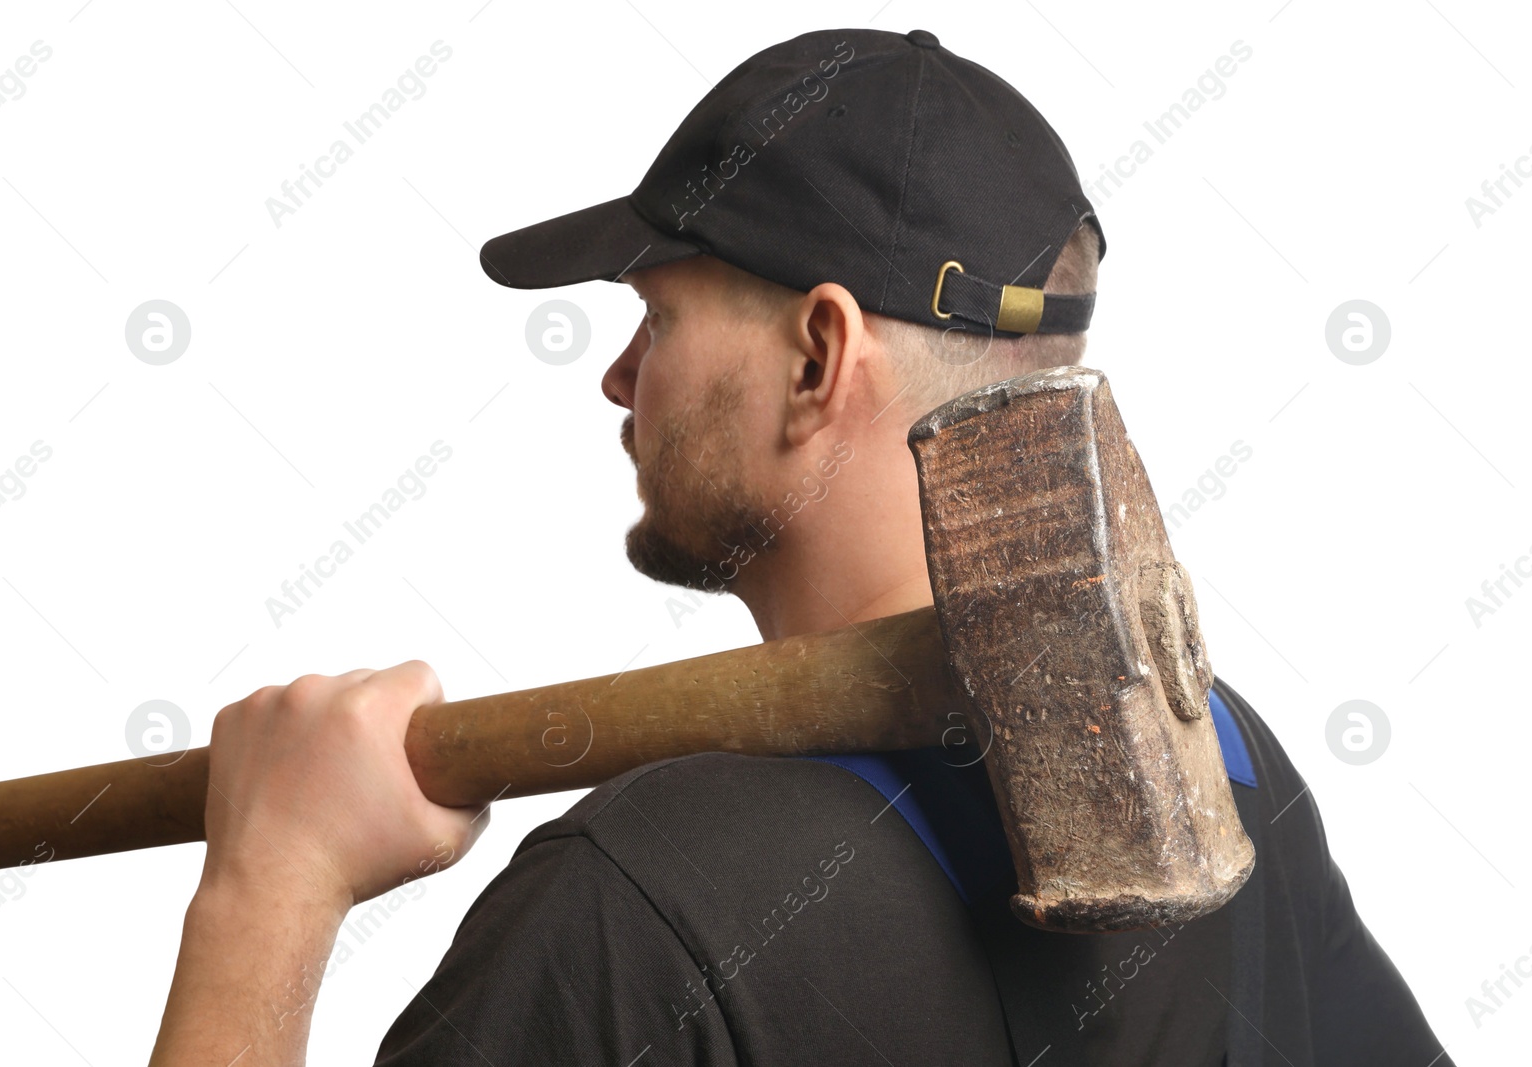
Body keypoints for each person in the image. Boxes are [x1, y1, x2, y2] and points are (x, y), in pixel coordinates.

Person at [149, 27, 1451, 1066]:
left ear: (821, 355)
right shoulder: (1225, 759)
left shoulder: (637, 910)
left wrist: (269, 894)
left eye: (657, 317)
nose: (617, 377)